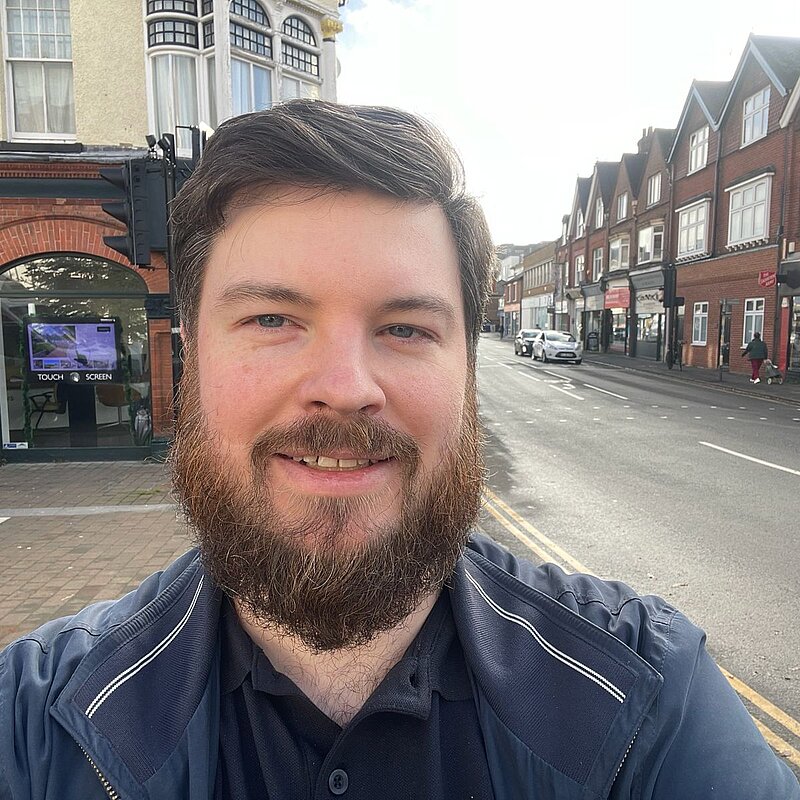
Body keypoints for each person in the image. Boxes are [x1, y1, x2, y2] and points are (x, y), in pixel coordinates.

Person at [1, 102, 798, 800]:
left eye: (405, 328)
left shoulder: (653, 699)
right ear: (190, 353)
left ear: (470, 375)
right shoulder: (34, 726)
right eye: (273, 319)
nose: (345, 387)